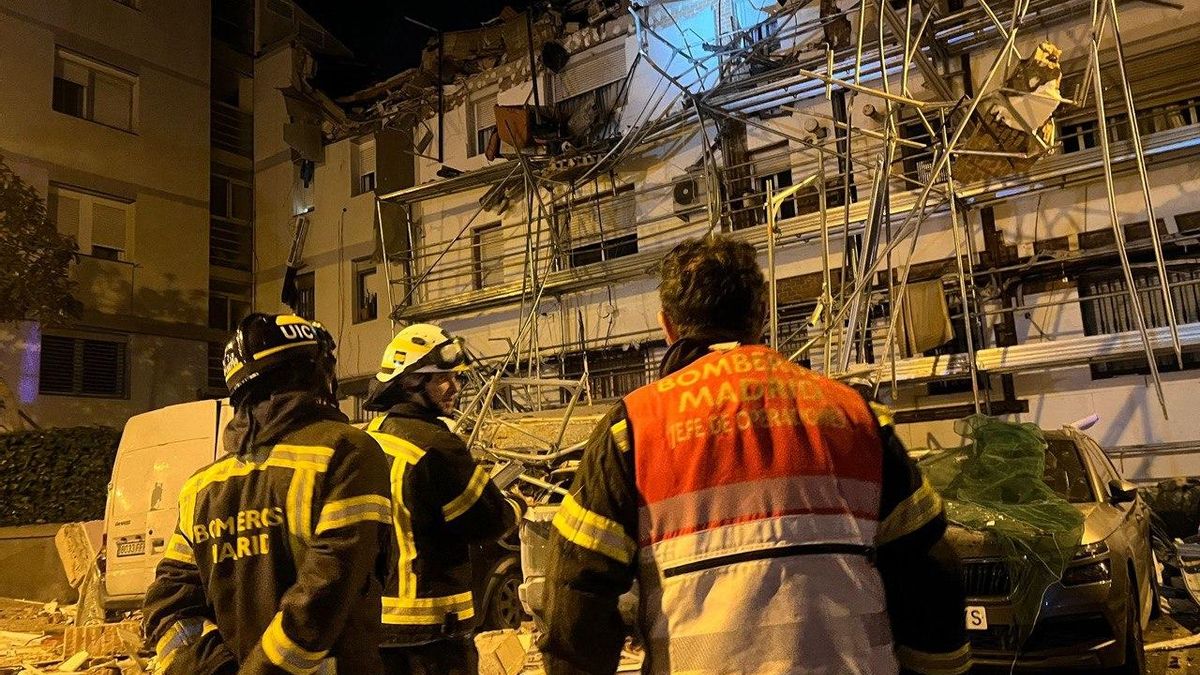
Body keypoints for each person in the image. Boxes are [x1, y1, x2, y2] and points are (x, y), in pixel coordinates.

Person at [540, 236, 970, 675]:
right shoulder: (857, 416)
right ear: (761, 319)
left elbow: (576, 590)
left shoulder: (632, 429)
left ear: (667, 326)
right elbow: (929, 568)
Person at [143, 313, 393, 674]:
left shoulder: (201, 487)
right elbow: (325, 594)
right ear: (316, 373)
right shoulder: (347, 452)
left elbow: (168, 603)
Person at [363, 323, 525, 674]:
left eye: (457, 378)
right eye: (442, 379)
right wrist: (516, 504)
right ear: (410, 382)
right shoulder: (438, 446)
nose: (456, 388)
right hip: (433, 633)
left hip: (375, 629)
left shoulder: (369, 438)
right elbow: (488, 521)